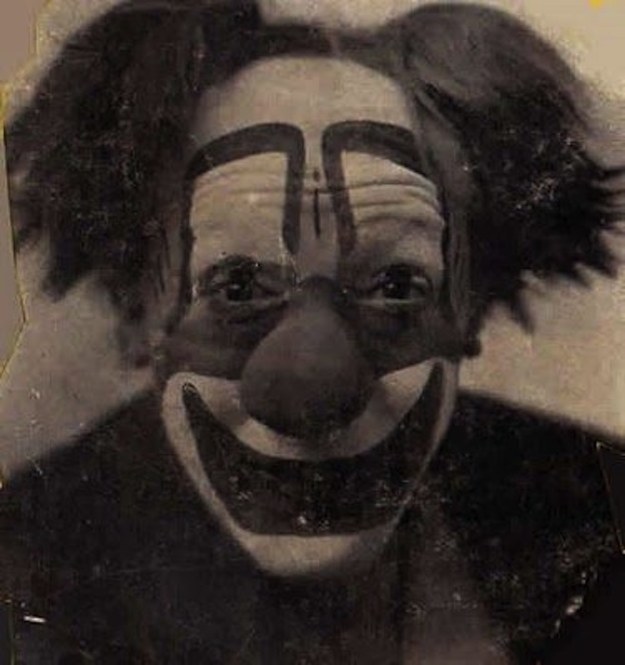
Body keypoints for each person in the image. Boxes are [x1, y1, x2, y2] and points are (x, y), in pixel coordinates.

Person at [1, 0, 624, 662]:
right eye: (238, 287)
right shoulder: (24, 569)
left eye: (395, 286)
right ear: (135, 312)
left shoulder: (602, 520)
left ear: (468, 305)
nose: (312, 388)